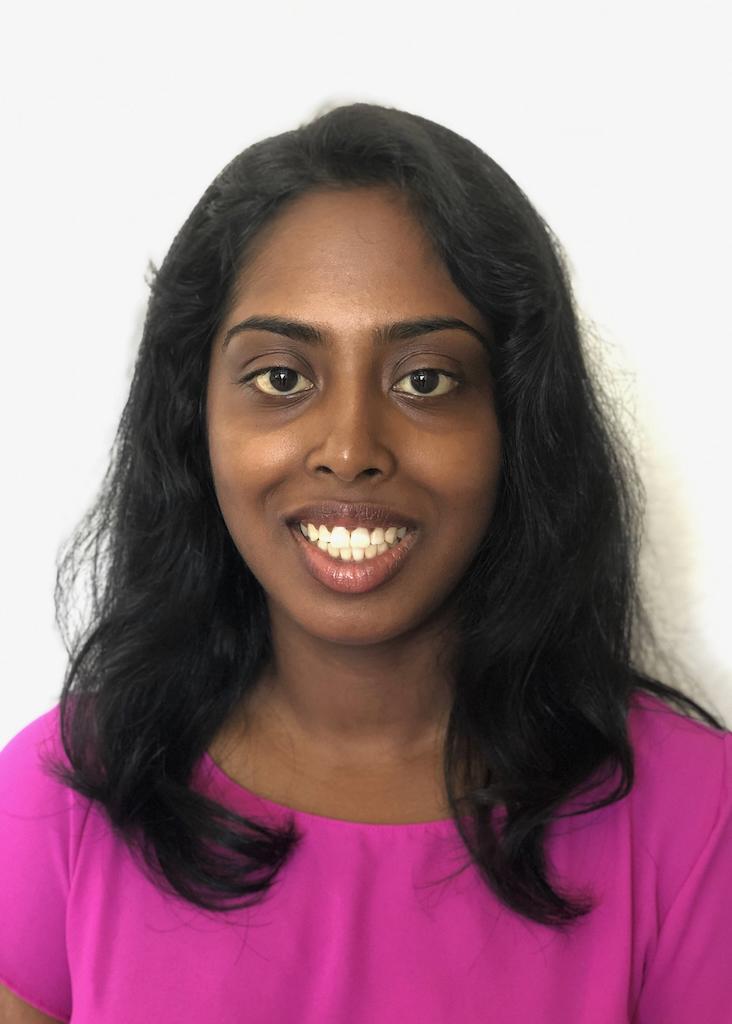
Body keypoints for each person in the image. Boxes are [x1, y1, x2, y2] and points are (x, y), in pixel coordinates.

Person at [1, 102, 730, 1023]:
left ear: (516, 424)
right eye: (281, 377)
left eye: (424, 379)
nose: (350, 449)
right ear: (196, 421)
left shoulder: (701, 820)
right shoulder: (62, 795)